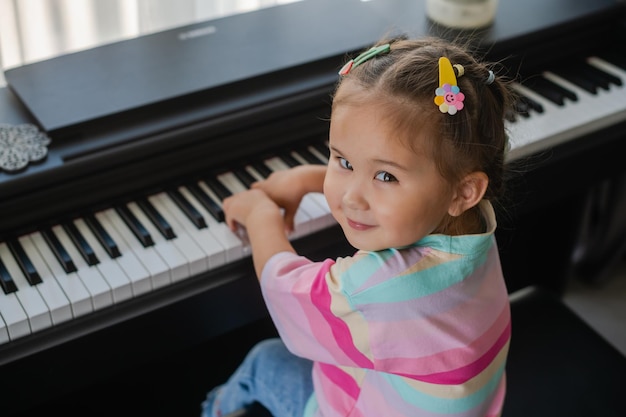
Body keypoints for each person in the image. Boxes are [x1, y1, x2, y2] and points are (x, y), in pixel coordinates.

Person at [201, 35, 515, 417]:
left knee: (265, 360)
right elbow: (391, 185)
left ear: (465, 190)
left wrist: (258, 215)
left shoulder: (383, 288)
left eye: (385, 177)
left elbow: (287, 290)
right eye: (344, 162)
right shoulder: (472, 222)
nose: (351, 199)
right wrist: (310, 179)